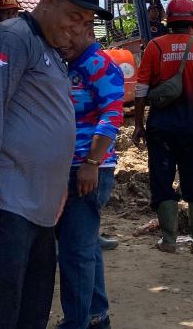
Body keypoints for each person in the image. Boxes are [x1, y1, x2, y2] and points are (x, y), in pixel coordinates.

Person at [0, 0, 111, 329]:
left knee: (30, 308)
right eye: (74, 16)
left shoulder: (50, 51)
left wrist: (56, 191)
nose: (78, 28)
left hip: (37, 207)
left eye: (86, 23)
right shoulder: (11, 38)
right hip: (0, 202)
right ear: (49, 0)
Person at [133, 0, 193, 254]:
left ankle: (169, 240)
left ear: (167, 19)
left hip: (160, 128)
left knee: (161, 180)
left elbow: (141, 88)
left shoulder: (155, 47)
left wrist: (139, 123)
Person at [57, 25, 124, 329]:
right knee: (85, 246)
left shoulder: (99, 64)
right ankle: (96, 316)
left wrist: (91, 162)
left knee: (75, 252)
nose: (63, 40)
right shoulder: (73, 65)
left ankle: (78, 322)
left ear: (86, 31)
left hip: (86, 169)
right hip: (70, 167)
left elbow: (112, 116)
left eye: (70, 34)